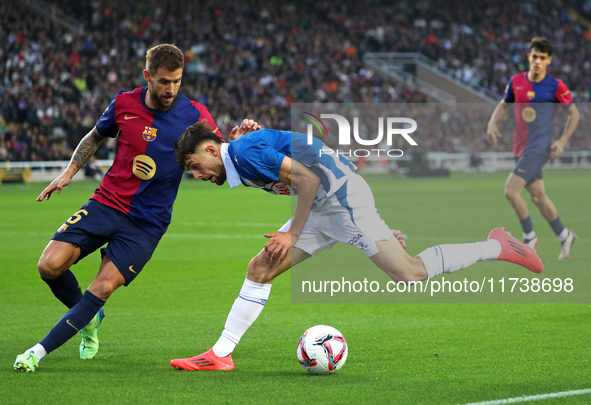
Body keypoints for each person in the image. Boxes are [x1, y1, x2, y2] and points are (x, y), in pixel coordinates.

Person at [168, 122, 543, 371]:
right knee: (260, 269)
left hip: (340, 199)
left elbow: (308, 178)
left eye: (194, 164)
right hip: (324, 205)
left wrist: (294, 233)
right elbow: (282, 150)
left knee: (409, 273)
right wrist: (252, 133)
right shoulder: (240, 153)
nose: (197, 175)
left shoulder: (244, 153)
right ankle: (220, 355)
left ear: (212, 150)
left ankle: (497, 245)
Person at [13, 44, 258, 372]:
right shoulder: (124, 103)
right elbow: (95, 136)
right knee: (49, 266)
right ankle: (89, 317)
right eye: (163, 81)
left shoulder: (194, 115)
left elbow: (218, 153)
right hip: (106, 202)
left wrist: (239, 140)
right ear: (147, 77)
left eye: (176, 81)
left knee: (101, 286)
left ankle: (37, 352)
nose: (170, 89)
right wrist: (69, 172)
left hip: (147, 223)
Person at [487, 36, 579, 259]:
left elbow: (574, 113)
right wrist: (492, 122)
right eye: (534, 56)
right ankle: (565, 235)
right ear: (529, 57)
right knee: (538, 197)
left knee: (511, 191)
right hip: (521, 148)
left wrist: (563, 140)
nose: (537, 61)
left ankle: (529, 237)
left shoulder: (556, 86)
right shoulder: (516, 81)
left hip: (538, 148)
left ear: (549, 61)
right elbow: (504, 105)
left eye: (542, 58)